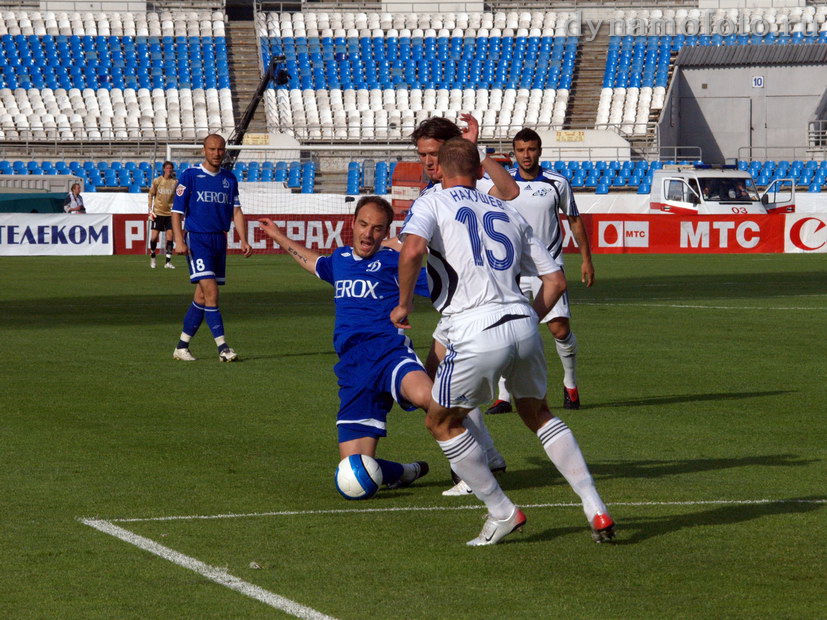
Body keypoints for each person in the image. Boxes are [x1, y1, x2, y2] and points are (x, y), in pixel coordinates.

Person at [392, 138, 615, 546]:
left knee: (441, 422)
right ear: (480, 171)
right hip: (522, 322)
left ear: (439, 169)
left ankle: (502, 511)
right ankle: (595, 505)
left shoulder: (433, 201)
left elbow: (411, 252)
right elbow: (556, 281)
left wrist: (404, 305)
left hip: (472, 327)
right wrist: (528, 317)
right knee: (538, 413)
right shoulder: (507, 209)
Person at [258, 196, 432, 492]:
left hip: (388, 353)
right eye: (363, 224)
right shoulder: (339, 260)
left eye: (377, 228)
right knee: (351, 470)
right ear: (352, 224)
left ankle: (475, 464)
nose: (368, 233)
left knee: (428, 397)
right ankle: (405, 472)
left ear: (386, 231)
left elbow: (444, 285)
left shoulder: (396, 263)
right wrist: (277, 235)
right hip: (353, 367)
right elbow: (314, 263)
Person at [408, 114, 519, 496]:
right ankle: (489, 457)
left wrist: (477, 150)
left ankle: (472, 472)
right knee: (437, 379)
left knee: (445, 388)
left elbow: (509, 190)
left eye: (435, 152)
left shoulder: (473, 188)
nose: (428, 161)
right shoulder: (429, 195)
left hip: (476, 306)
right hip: (454, 306)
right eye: (422, 154)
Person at [483, 128, 593, 415]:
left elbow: (574, 220)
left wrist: (586, 260)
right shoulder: (501, 184)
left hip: (549, 270)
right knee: (508, 332)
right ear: (514, 152)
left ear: (539, 150)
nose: (526, 155)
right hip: (513, 271)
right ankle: (503, 396)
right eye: (520, 150)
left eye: (531, 149)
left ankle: (570, 384)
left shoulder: (557, 183)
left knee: (559, 328)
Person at [171, 134, 252, 362]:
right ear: (204, 150)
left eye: (220, 150)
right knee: (212, 293)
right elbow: (176, 212)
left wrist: (244, 239)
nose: (216, 154)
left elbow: (236, 211)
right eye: (212, 149)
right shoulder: (190, 176)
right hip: (198, 240)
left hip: (219, 240)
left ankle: (181, 346)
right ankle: (223, 347)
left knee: (203, 296)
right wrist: (179, 241)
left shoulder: (229, 179)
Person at [148, 161, 178, 269]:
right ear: (164, 169)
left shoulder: (175, 182)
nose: (169, 170)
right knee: (154, 237)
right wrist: (150, 209)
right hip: (158, 213)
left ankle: (168, 262)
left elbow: (179, 196)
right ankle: (153, 256)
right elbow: (151, 194)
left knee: (170, 237)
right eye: (167, 168)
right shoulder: (157, 181)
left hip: (170, 214)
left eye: (171, 168)